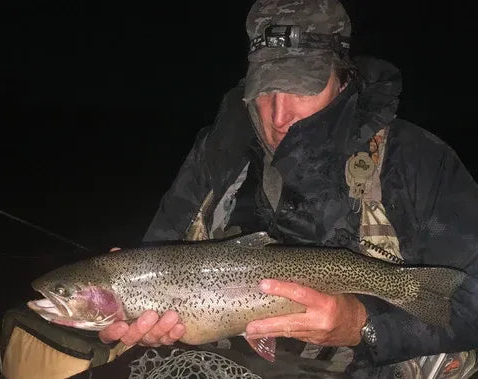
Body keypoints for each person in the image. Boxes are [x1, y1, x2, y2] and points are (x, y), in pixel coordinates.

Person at [99, 0, 478, 376]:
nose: (279, 116)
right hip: (241, 358)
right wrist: (146, 321)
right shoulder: (217, 152)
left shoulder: (416, 161)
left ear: (342, 78)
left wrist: (363, 324)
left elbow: (469, 301)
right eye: (265, 90)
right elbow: (158, 258)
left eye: (302, 88)